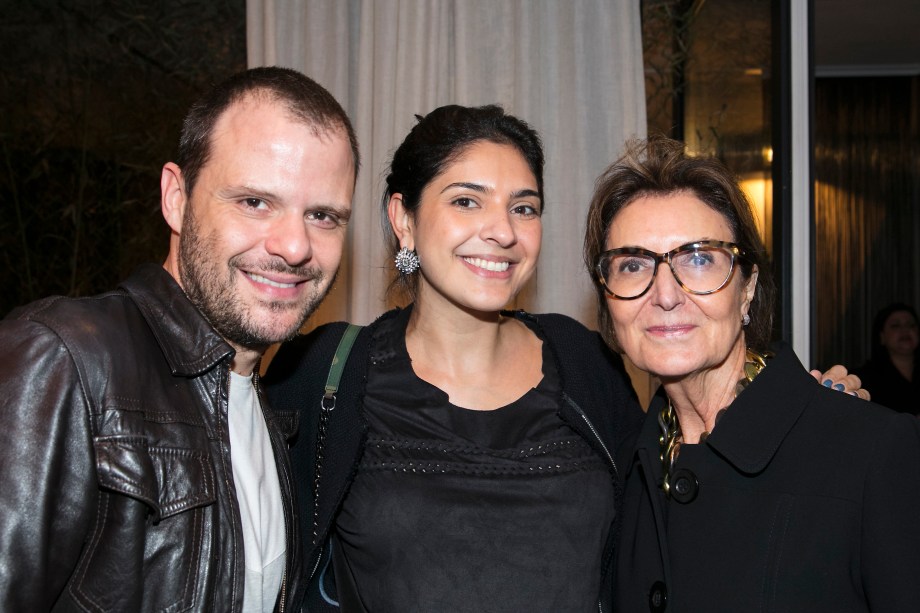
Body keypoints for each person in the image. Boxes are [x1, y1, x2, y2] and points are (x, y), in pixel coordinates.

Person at [0, 66, 359, 611]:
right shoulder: (63, 357)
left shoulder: (266, 405)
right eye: (255, 202)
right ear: (176, 197)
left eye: (323, 215)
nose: (294, 246)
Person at [264, 104, 645, 612]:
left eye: (524, 208)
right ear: (405, 219)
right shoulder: (327, 369)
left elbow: (646, 548)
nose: (503, 232)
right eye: (467, 201)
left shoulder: (585, 361)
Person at [584, 135, 920, 612]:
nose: (664, 293)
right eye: (633, 264)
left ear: (747, 290)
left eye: (698, 258)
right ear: (609, 303)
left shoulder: (872, 450)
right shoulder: (624, 470)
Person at [855, 302, 920, 415]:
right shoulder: (864, 379)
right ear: (882, 337)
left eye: (911, 325)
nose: (905, 330)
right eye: (895, 326)